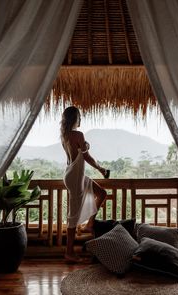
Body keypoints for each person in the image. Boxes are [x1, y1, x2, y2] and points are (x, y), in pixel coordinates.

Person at [60, 106, 108, 263]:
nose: (81, 120)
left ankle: (90, 223)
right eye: (79, 117)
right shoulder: (78, 134)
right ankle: (69, 252)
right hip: (75, 177)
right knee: (73, 215)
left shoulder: (65, 135)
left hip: (73, 175)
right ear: (75, 118)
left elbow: (78, 152)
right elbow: (86, 157)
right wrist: (101, 169)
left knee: (102, 193)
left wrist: (84, 146)